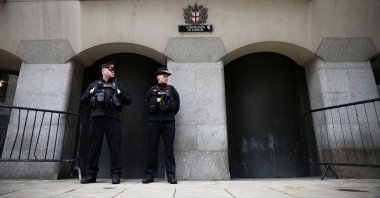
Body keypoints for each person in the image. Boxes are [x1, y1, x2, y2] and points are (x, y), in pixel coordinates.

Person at [80, 62, 131, 184]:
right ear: (103, 71)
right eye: (109, 68)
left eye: (113, 68)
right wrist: (90, 93)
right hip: (97, 119)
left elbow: (128, 100)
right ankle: (91, 175)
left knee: (115, 148)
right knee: (94, 148)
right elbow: (83, 101)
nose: (112, 70)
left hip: (112, 119)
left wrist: (120, 93)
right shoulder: (95, 84)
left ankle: (116, 175)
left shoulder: (117, 84)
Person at [142, 67, 180, 184]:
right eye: (164, 75)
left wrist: (169, 113)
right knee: (152, 149)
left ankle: (171, 176)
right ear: (158, 76)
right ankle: (149, 175)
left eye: (167, 75)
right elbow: (146, 104)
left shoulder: (171, 89)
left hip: (168, 122)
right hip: (153, 122)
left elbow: (177, 104)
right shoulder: (152, 90)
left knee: (169, 149)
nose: (166, 77)